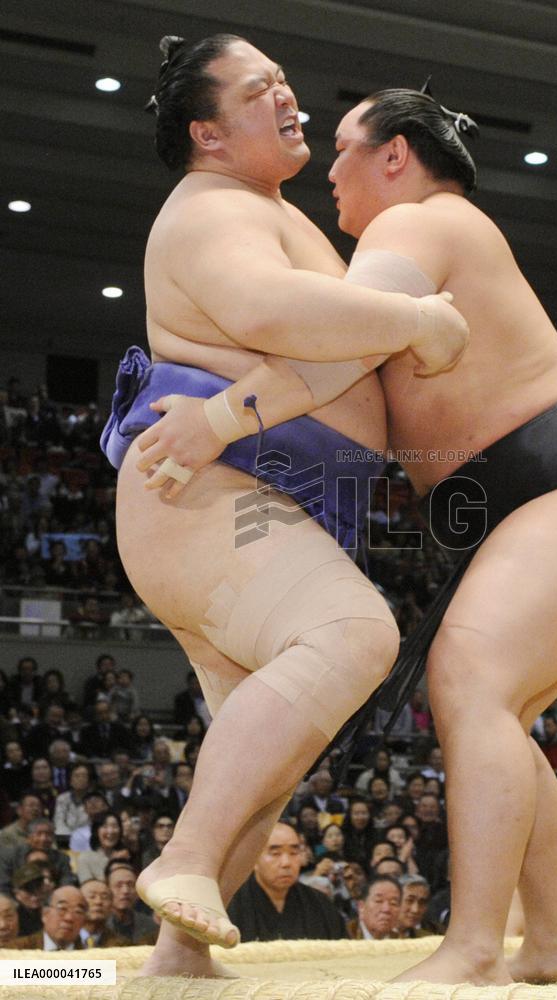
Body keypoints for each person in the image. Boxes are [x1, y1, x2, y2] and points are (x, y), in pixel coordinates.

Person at [144, 79, 557, 984]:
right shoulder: (425, 234)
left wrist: (220, 418)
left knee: (470, 681)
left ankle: (471, 949)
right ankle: (550, 940)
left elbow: (336, 345)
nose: (331, 169)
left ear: (394, 155)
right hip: (543, 504)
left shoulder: (417, 225)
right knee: (503, 711)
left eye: (347, 147)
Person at [98, 31, 467, 973]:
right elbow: (270, 312)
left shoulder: (257, 204)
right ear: (208, 134)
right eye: (260, 88)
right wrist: (419, 319)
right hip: (214, 491)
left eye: (284, 80)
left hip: (266, 495)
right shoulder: (211, 208)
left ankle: (178, 959)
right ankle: (183, 858)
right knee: (354, 634)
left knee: (265, 755)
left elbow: (318, 348)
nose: (287, 96)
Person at [227, 821, 346, 940]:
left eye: (293, 853)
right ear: (253, 859)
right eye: (275, 853)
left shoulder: (320, 904)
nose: (286, 863)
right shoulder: (230, 906)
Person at [11, 885, 87, 951]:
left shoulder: (91, 955)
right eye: (62, 909)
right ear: (45, 914)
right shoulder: (16, 950)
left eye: (78, 912)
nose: (69, 918)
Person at [347, 876, 402, 940]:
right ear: (361, 907)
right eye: (378, 901)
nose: (386, 909)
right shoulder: (344, 934)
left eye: (393, 903)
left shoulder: (402, 942)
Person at [79, 879, 128, 948]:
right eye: (92, 897)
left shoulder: (120, 944)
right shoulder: (65, 939)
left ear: (111, 906)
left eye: (104, 897)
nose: (98, 902)